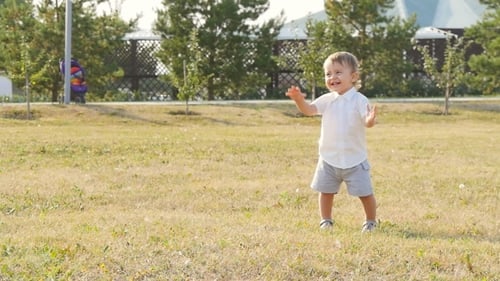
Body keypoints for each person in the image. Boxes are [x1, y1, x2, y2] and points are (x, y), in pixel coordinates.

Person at [285, 51, 378, 232]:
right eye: (328, 74)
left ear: (353, 77)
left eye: (338, 72)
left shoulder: (359, 100)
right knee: (325, 191)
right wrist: (298, 100)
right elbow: (310, 110)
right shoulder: (327, 100)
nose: (332, 77)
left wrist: (371, 119)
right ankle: (325, 220)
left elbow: (366, 121)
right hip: (329, 158)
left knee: (365, 193)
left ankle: (370, 221)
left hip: (355, 159)